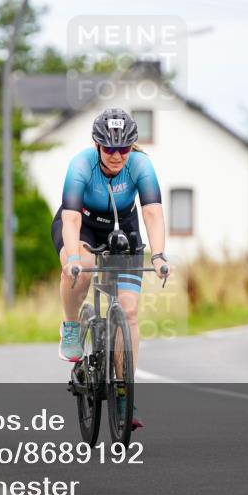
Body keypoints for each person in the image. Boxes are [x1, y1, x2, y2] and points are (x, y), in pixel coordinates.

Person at [51, 108, 169, 429]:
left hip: (123, 227)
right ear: (97, 145)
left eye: (123, 149)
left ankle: (123, 394)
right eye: (109, 149)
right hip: (82, 226)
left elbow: (153, 214)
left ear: (132, 147)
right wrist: (73, 258)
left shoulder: (141, 166)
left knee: (129, 311)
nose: (117, 156)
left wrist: (158, 255)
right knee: (84, 267)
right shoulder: (81, 165)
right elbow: (71, 219)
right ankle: (71, 327)